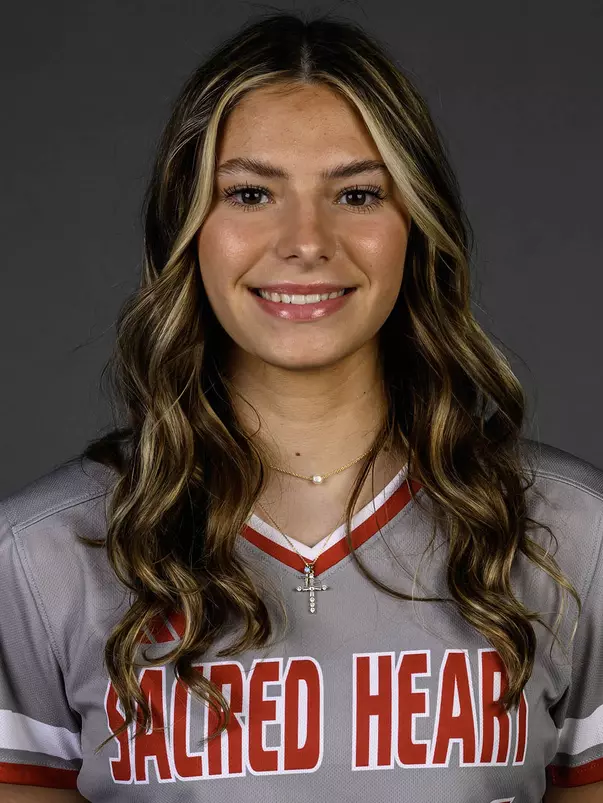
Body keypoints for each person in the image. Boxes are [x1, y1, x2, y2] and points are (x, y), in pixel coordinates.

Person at [0, 11, 601, 803]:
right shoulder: (42, 559)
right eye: (250, 193)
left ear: (416, 226)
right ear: (187, 228)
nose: (305, 240)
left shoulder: (570, 534)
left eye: (356, 193)